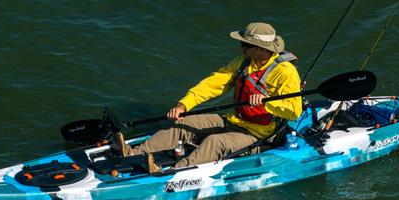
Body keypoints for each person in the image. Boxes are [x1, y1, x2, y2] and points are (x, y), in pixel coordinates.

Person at [114, 22, 303, 173]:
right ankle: (132, 153)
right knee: (185, 123)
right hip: (233, 119)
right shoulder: (244, 62)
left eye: (246, 44)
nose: (241, 47)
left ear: (262, 48)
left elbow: (294, 110)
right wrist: (183, 105)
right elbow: (213, 84)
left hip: (257, 133)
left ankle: (173, 171)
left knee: (214, 142)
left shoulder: (285, 72)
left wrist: (266, 102)